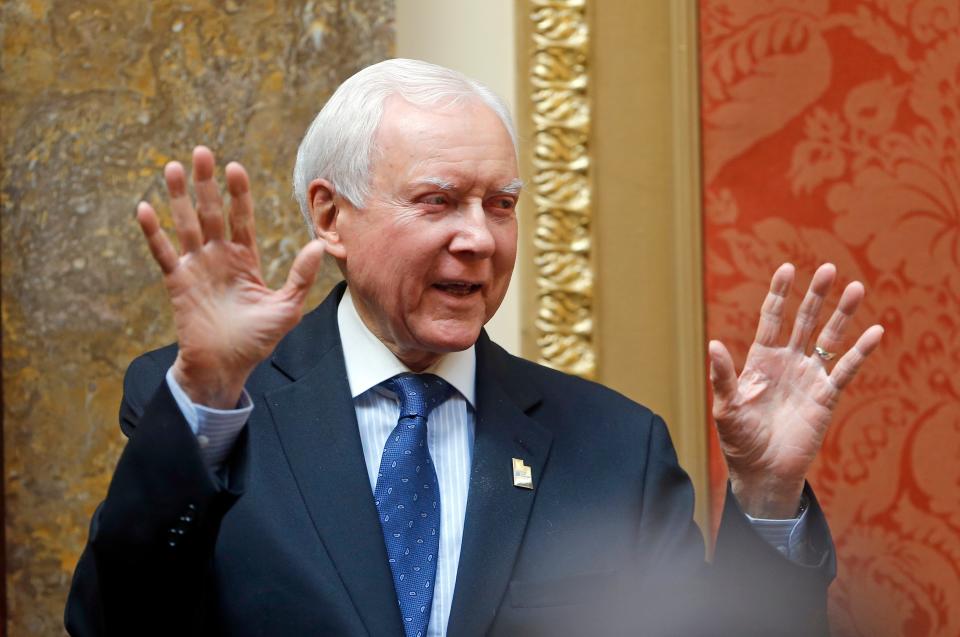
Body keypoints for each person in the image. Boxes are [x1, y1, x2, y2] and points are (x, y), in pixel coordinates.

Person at [65, 59, 883, 636]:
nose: (479, 238)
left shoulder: (612, 445)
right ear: (329, 216)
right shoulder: (215, 412)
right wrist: (207, 393)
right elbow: (113, 623)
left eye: (500, 203)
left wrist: (769, 495)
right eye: (440, 200)